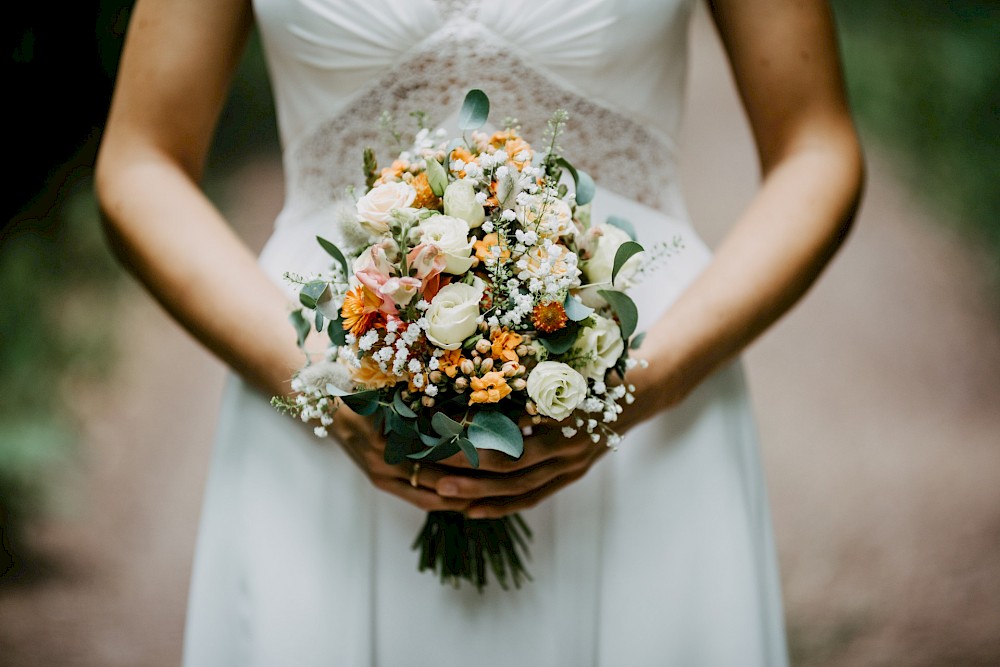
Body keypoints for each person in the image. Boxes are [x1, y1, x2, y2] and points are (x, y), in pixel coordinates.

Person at [96, 0, 863, 664]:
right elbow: (139, 160)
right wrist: (317, 376)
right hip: (323, 379)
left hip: (647, 400)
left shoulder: (650, 381)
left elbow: (817, 147)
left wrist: (645, 380)